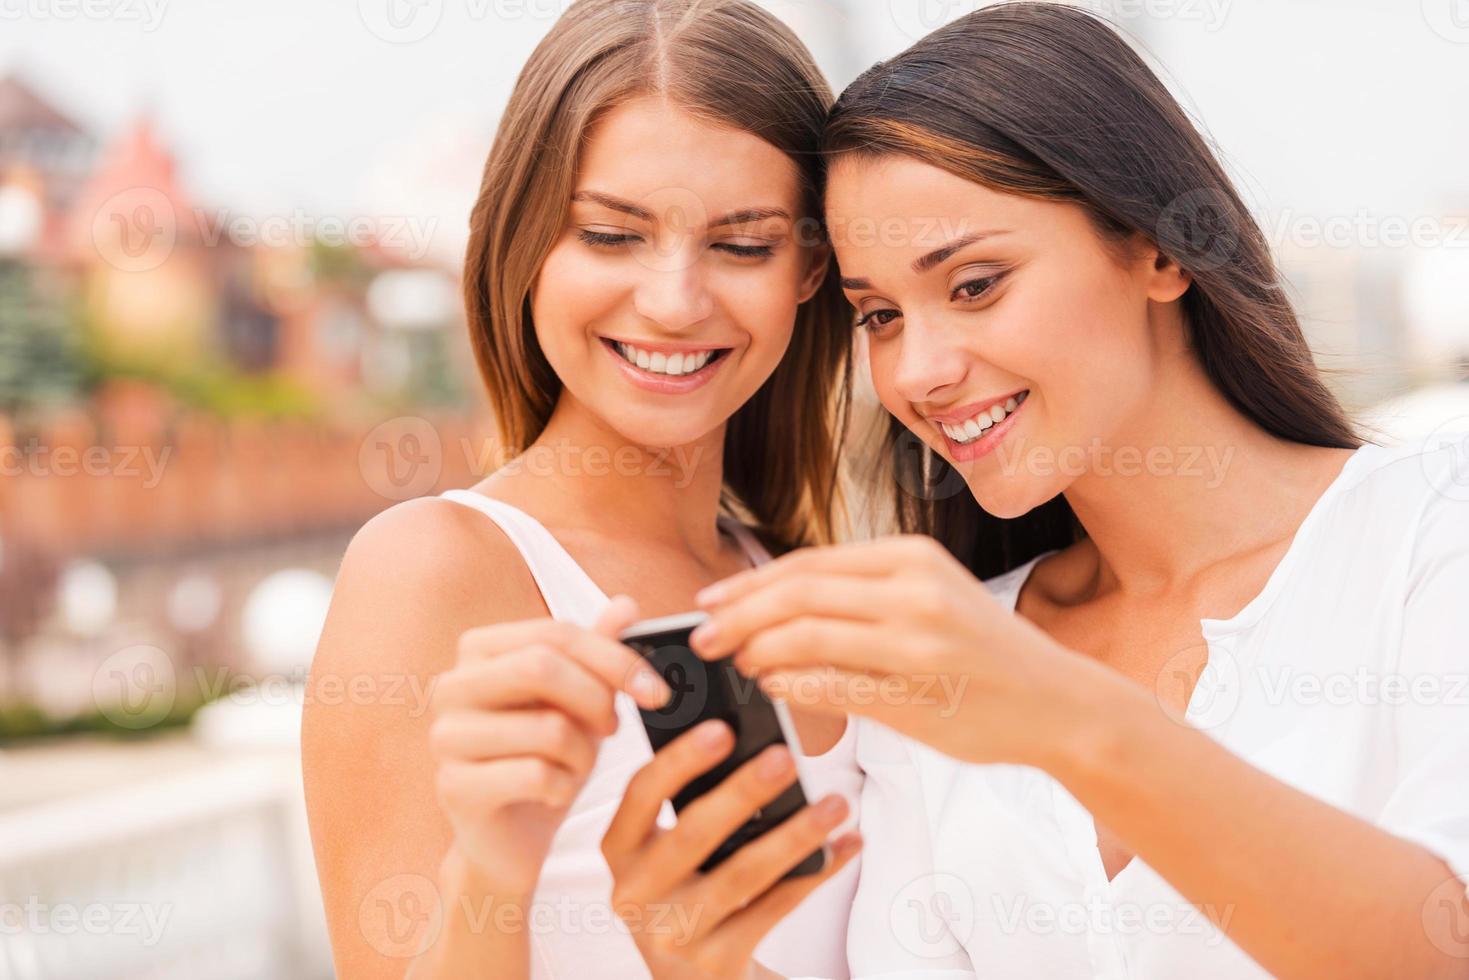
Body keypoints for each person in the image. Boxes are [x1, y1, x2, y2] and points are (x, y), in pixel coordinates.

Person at [607, 4, 1469, 978]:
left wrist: (1065, 716)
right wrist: (699, 963)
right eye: (879, 314)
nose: (918, 370)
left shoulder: (1429, 533)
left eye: (973, 283)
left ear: (1157, 246)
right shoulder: (947, 656)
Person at [300, 2, 864, 977]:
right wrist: (491, 870)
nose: (674, 301)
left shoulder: (810, 587)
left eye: (742, 244)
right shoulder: (432, 569)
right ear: (525, 244)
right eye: (611, 234)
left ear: (809, 268)